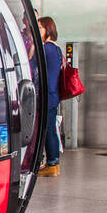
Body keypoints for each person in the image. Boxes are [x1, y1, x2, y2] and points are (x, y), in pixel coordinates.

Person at [38, 16, 64, 177]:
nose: (37, 30)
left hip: (48, 96)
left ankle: (52, 163)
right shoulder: (56, 48)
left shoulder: (46, 49)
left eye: (40, 28)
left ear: (48, 30)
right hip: (54, 96)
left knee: (48, 131)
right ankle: (52, 162)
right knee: (50, 130)